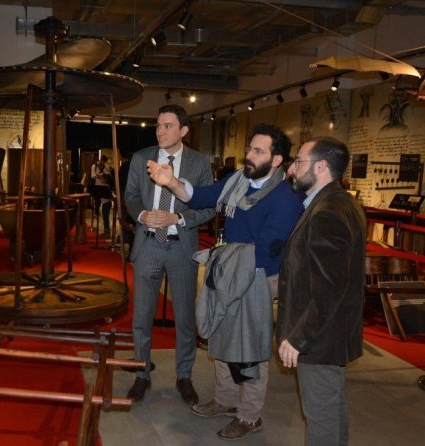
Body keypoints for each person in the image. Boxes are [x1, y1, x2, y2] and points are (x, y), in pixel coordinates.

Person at [146, 123, 303, 440]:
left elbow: (265, 251)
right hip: (229, 270)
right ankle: (226, 399)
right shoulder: (238, 180)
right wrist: (171, 182)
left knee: (251, 348)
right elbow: (201, 197)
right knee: (220, 335)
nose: (249, 155)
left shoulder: (285, 199)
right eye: (249, 148)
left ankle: (249, 416)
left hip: (258, 278)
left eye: (258, 151)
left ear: (276, 160)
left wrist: (220, 261)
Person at [123, 104, 215, 405]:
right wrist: (142, 215)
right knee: (141, 316)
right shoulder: (142, 159)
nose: (160, 131)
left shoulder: (199, 163)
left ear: (183, 130)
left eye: (168, 126)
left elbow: (210, 207)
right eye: (158, 125)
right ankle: (141, 373)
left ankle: (184, 376)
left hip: (181, 247)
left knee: (185, 318)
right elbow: (130, 196)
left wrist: (179, 218)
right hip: (148, 245)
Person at [277, 137, 365, 445]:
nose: (293, 169)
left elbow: (329, 289)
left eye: (299, 161)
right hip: (331, 334)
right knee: (331, 411)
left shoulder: (327, 212)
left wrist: (298, 338)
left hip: (320, 339)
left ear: (322, 166)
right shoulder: (339, 203)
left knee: (322, 418)